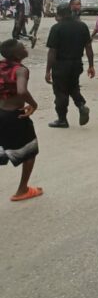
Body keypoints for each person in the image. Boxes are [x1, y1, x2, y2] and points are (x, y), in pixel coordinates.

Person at [0, 39, 41, 201]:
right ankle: (22, 190)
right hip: (14, 116)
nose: (25, 48)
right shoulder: (20, 70)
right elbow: (22, 91)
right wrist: (33, 104)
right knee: (30, 150)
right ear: (17, 54)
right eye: (22, 47)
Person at [45, 4, 94, 128]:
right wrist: (91, 65)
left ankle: (62, 119)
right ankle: (81, 105)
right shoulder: (82, 26)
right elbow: (88, 47)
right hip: (77, 63)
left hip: (61, 64)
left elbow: (52, 51)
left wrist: (48, 70)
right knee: (73, 86)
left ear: (59, 14)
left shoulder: (57, 28)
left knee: (60, 92)